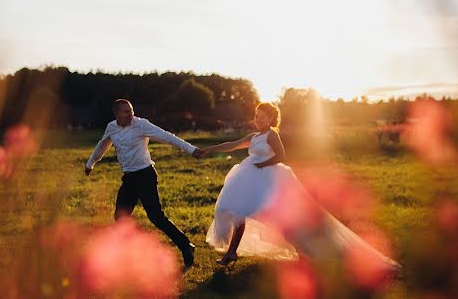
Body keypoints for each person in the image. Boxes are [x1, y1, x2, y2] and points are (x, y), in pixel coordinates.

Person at [199, 103, 401, 274]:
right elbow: (232, 145)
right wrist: (209, 149)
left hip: (270, 177)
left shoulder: (271, 136)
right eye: (256, 116)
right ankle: (231, 252)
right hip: (250, 177)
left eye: (261, 117)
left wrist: (261, 164)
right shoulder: (253, 136)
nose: (257, 119)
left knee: (281, 219)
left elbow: (281, 156)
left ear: (270, 119)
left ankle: (305, 250)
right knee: (238, 212)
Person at [85, 99, 203, 269]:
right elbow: (102, 145)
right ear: (117, 114)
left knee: (156, 217)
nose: (130, 114)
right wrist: (90, 164)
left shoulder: (141, 125)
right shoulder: (112, 127)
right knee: (120, 218)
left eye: (131, 110)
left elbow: (167, 137)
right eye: (126, 111)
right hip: (129, 179)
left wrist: (191, 150)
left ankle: (186, 246)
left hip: (145, 176)